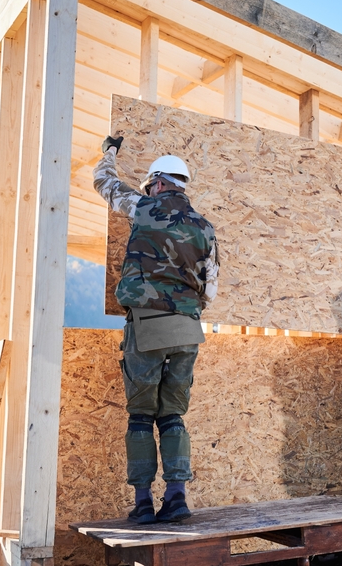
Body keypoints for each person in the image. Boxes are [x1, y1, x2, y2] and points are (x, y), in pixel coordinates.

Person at [93, 135, 219, 524]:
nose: (151, 190)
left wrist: (109, 152)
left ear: (160, 183)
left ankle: (144, 504)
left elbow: (103, 183)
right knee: (173, 416)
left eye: (152, 184)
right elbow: (210, 289)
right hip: (187, 330)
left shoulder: (143, 207)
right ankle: (177, 498)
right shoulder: (205, 228)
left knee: (140, 416)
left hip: (146, 327)